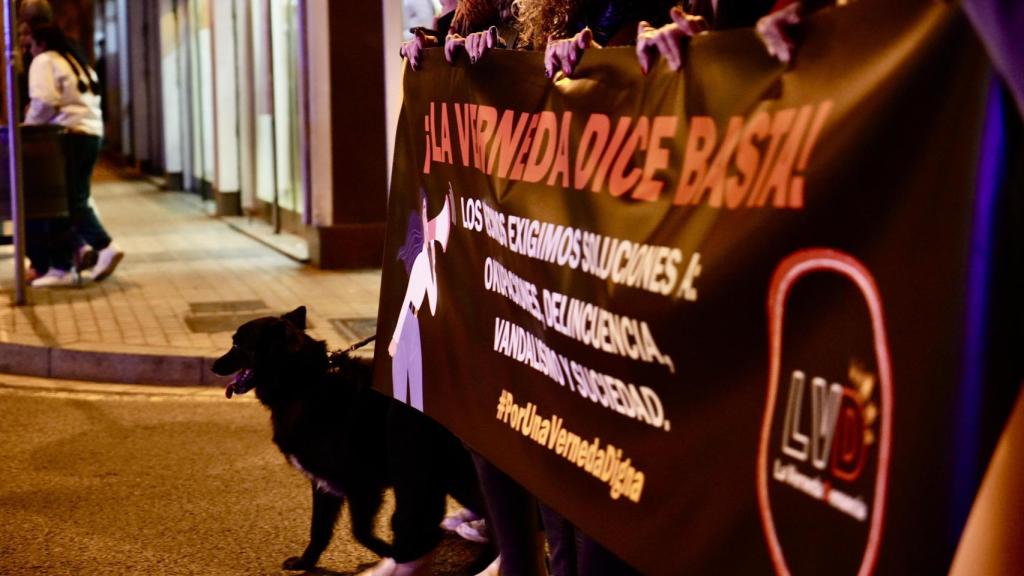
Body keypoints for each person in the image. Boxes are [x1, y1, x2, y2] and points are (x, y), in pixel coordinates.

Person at [24, 25, 123, 287]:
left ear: (41, 43)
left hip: (70, 136)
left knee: (67, 201)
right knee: (71, 199)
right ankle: (63, 264)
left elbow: (43, 101)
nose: (27, 48)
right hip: (90, 133)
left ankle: (102, 246)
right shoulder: (74, 61)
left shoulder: (45, 61)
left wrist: (27, 126)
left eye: (30, 42)